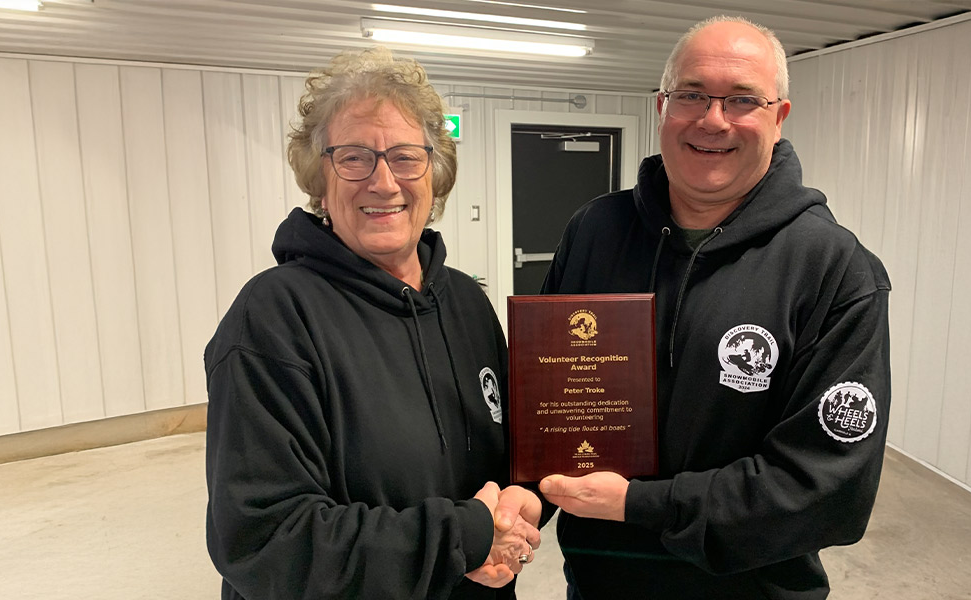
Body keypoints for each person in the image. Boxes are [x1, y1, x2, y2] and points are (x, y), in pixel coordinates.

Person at [537, 16, 892, 600]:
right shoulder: (596, 231)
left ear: (778, 117)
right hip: (600, 578)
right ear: (662, 106)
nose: (712, 119)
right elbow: (548, 401)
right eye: (692, 94)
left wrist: (640, 505)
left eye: (742, 100)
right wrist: (527, 493)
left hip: (749, 588)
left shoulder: (833, 268)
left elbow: (828, 490)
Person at [204, 47, 541, 600]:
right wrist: (468, 534)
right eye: (355, 157)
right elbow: (265, 542)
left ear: (435, 174)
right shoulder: (272, 318)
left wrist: (524, 497)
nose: (384, 183)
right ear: (320, 178)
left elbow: (508, 455)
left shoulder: (464, 301)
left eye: (406, 157)